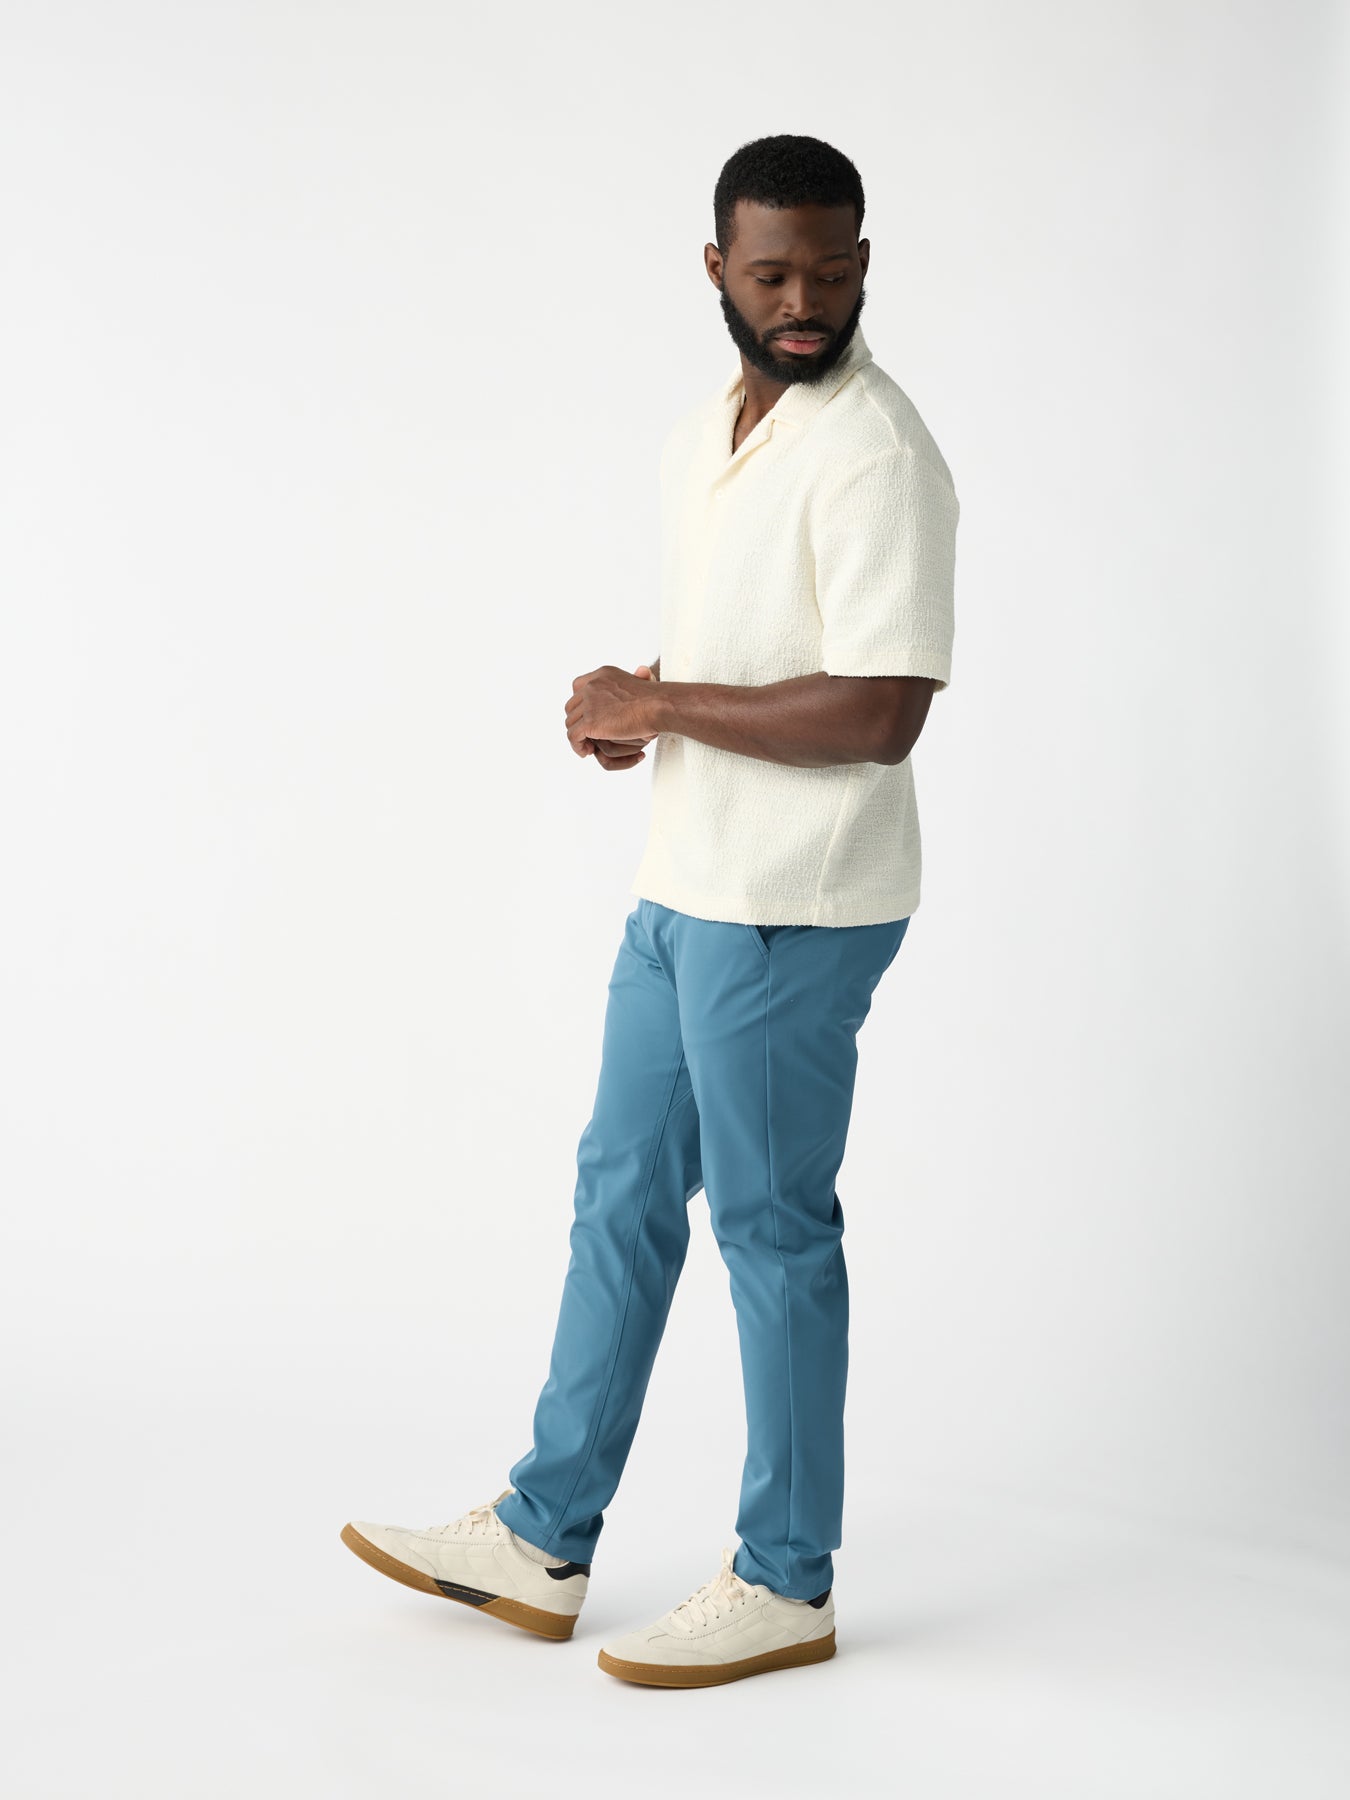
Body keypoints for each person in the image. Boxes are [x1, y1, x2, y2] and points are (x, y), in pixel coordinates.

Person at [341, 132, 960, 1690]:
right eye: (771, 272)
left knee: (768, 1231)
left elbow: (883, 711)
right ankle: (543, 1535)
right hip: (683, 885)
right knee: (619, 1199)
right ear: (716, 272)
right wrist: (645, 714)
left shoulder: (878, 452)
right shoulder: (709, 433)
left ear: (865, 262)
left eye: (829, 268)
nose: (803, 298)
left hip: (792, 910)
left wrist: (665, 696)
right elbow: (759, 657)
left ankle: (786, 1581)